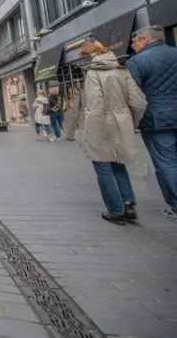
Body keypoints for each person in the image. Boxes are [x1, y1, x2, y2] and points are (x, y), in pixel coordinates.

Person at [65, 39, 146, 225]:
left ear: (90, 54)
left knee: (103, 167)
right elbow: (138, 103)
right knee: (118, 162)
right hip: (121, 123)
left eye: (83, 57)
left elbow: (94, 106)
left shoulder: (93, 73)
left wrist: (86, 133)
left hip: (100, 125)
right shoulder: (122, 70)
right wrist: (129, 123)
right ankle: (128, 204)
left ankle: (115, 211)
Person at [127, 25, 177, 221]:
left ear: (145, 40)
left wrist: (134, 121)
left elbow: (135, 98)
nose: (133, 45)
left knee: (167, 162)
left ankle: (175, 204)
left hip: (157, 120)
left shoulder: (137, 62)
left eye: (135, 41)